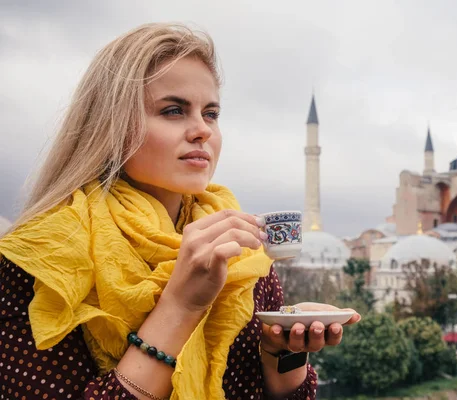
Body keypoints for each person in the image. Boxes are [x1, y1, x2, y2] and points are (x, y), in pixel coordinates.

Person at [0, 23, 360, 400]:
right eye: (174, 110)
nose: (201, 130)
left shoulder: (242, 254)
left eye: (211, 113)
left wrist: (283, 351)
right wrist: (182, 304)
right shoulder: (47, 257)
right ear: (112, 126)